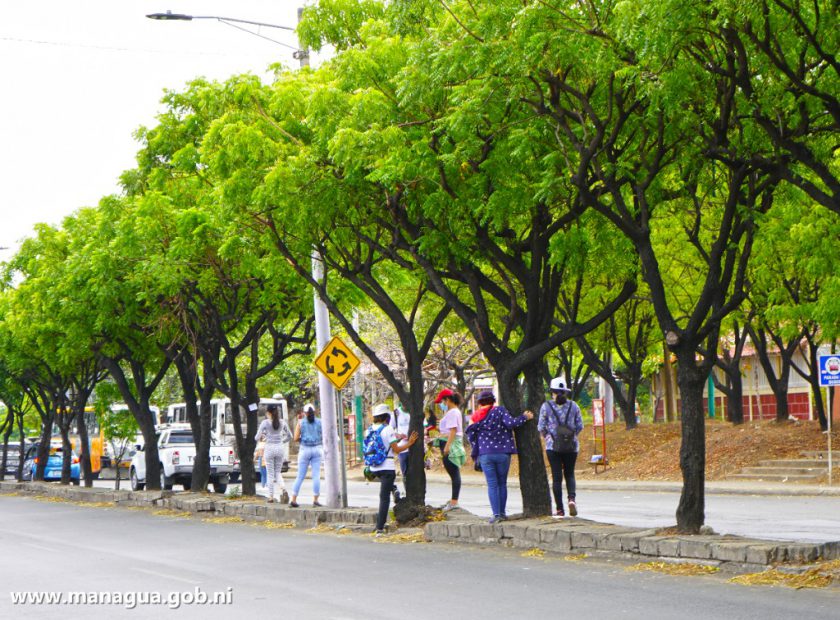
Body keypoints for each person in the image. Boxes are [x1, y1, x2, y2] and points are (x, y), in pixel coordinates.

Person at [465, 389, 533, 524]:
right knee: (502, 483)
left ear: (479, 403)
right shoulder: (500, 411)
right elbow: (511, 423)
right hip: (503, 453)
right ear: (493, 401)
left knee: (492, 485)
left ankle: (496, 515)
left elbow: (471, 436)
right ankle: (502, 513)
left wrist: (477, 449)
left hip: (485, 455)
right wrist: (524, 417)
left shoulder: (475, 417)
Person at [367, 403, 418, 535]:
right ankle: (380, 527)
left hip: (373, 467)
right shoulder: (388, 428)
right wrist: (410, 443)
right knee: (384, 498)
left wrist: (397, 436)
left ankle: (394, 488)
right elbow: (396, 450)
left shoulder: (369, 429)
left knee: (386, 488)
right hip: (387, 467)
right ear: (387, 417)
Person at [538, 378, 584, 517]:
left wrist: (547, 437)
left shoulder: (546, 406)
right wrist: (571, 436)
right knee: (569, 474)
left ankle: (559, 509)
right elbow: (580, 425)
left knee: (557, 478)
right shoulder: (574, 406)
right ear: (565, 392)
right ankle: (571, 499)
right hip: (571, 446)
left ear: (552, 392)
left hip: (553, 447)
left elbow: (541, 426)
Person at [433, 388, 466, 512]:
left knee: (454, 472)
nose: (442, 404)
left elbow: (453, 430)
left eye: (443, 401)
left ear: (447, 400)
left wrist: (447, 446)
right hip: (447, 442)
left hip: (450, 445)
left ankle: (454, 501)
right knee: (453, 472)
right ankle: (453, 500)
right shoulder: (452, 412)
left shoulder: (453, 412)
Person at [255, 403, 292, 504]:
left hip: (269, 449)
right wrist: (281, 441)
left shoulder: (265, 423)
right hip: (280, 449)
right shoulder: (282, 422)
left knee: (270, 474)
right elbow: (290, 436)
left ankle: (271, 496)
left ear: (268, 413)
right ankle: (283, 489)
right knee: (277, 472)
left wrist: (264, 436)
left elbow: (256, 437)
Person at [290, 403, 323, 508]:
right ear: (315, 412)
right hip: (317, 449)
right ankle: (315, 500)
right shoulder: (320, 422)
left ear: (304, 413)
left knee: (300, 476)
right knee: (316, 475)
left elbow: (295, 438)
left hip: (304, 449)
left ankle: (294, 499)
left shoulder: (300, 423)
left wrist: (302, 439)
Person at [391, 405, 411, 485]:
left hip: (415, 447)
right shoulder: (396, 413)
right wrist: (398, 435)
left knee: (416, 473)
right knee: (405, 473)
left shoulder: (416, 411)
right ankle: (408, 493)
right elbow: (390, 429)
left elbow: (424, 427)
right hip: (402, 448)